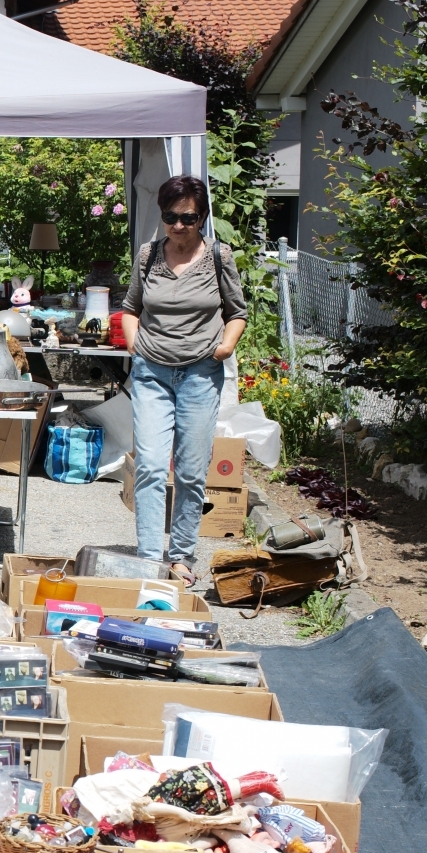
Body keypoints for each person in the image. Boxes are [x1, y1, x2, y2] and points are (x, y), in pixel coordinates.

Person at [119, 173, 248, 585]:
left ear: (202, 218)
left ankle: (181, 557)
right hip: (152, 373)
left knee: (191, 472)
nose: (178, 225)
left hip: (199, 374)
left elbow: (238, 312)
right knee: (153, 467)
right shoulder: (148, 256)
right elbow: (130, 307)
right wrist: (135, 343)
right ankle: (149, 559)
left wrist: (225, 347)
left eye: (188, 218)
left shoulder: (218, 257)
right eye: (170, 216)